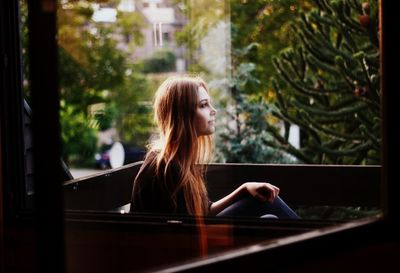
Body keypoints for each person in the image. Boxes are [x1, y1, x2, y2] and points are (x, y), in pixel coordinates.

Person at [130, 75, 299, 219]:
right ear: (183, 115)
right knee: (270, 208)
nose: (213, 110)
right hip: (186, 251)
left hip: (191, 242)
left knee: (269, 215)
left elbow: (204, 211)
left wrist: (244, 189)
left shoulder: (179, 159)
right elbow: (185, 233)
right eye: (203, 105)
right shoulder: (166, 168)